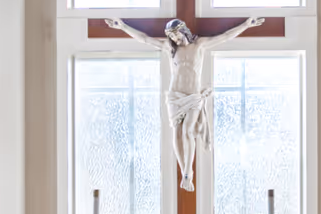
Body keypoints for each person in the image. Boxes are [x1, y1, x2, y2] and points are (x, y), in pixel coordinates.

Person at [103, 15, 267, 190]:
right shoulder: (170, 48)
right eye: (172, 37)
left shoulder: (200, 45)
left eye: (176, 35)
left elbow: (225, 36)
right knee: (177, 134)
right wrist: (122, 26)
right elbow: (144, 39)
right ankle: (184, 173)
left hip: (193, 95)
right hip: (175, 96)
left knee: (188, 130)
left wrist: (246, 25)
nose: (175, 39)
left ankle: (189, 173)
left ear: (183, 30)